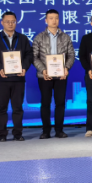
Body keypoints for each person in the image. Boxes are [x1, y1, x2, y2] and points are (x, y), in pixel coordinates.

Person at [0, 11, 33, 142]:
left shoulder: (23, 38)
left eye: (13, 21)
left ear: (16, 22)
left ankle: (18, 133)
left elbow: (29, 55)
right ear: (2, 22)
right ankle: (2, 134)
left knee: (18, 108)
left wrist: (24, 67)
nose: (10, 24)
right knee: (1, 108)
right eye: (7, 21)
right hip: (2, 79)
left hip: (18, 79)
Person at [32, 9, 75, 139]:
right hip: (44, 75)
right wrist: (43, 70)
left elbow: (71, 55)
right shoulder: (39, 37)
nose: (54, 20)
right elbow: (34, 57)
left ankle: (59, 130)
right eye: (51, 18)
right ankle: (46, 131)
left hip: (61, 75)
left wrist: (66, 68)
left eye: (56, 18)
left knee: (60, 103)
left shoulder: (66, 37)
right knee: (45, 103)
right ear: (46, 20)